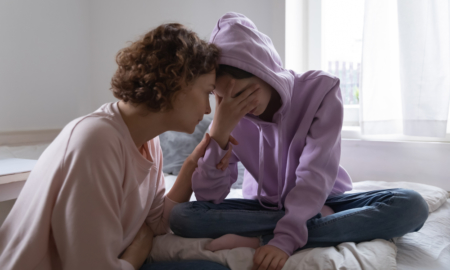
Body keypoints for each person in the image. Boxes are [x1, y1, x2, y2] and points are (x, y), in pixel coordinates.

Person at [170, 13, 429, 270]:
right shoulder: (230, 115)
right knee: (182, 217)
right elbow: (208, 197)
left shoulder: (321, 91)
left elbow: (313, 175)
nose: (237, 107)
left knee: (412, 206)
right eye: (221, 97)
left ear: (264, 72)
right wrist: (219, 135)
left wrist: (283, 240)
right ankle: (316, 225)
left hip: (326, 199)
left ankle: (261, 238)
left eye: (241, 94)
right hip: (264, 206)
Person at [0, 23, 239, 270]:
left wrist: (192, 164)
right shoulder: (95, 141)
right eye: (207, 93)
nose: (208, 109)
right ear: (178, 83)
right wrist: (137, 252)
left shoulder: (148, 140)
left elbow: (157, 223)